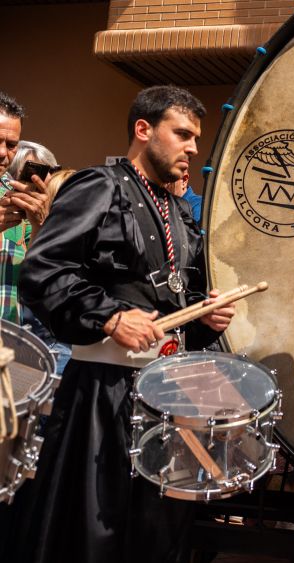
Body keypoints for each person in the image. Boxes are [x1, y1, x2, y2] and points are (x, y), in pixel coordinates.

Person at [13, 85, 235, 563]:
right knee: (95, 531)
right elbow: (43, 270)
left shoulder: (176, 210)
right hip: (102, 392)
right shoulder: (100, 185)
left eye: (196, 138)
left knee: (157, 533)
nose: (193, 148)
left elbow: (172, 304)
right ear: (143, 129)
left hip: (167, 395)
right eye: (182, 134)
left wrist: (206, 317)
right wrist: (110, 317)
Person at [6, 142, 69, 372]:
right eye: (30, 176)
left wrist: (42, 225)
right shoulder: (6, 221)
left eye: (46, 175)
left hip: (48, 347)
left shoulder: (59, 222)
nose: (38, 186)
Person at [0, 97, 51, 324]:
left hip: (8, 340)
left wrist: (41, 222)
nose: (3, 153)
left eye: (11, 145)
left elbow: (38, 274)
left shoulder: (14, 195)